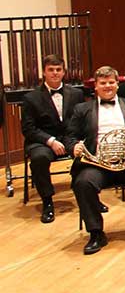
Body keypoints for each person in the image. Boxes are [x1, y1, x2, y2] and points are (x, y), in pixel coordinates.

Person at [69, 66, 125, 254]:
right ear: (95, 86)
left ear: (117, 84)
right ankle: (96, 233)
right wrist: (74, 146)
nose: (107, 86)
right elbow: (70, 136)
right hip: (97, 164)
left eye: (111, 82)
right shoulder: (82, 109)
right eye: (102, 83)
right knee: (83, 183)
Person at [21, 54, 86, 223]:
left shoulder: (77, 94)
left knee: (88, 151)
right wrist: (50, 141)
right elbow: (28, 129)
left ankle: (87, 196)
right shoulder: (31, 98)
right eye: (51, 70)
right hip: (42, 141)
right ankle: (47, 201)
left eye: (58, 70)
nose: (55, 73)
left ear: (64, 72)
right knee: (39, 158)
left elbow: (81, 121)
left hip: (69, 138)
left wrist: (78, 141)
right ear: (43, 72)